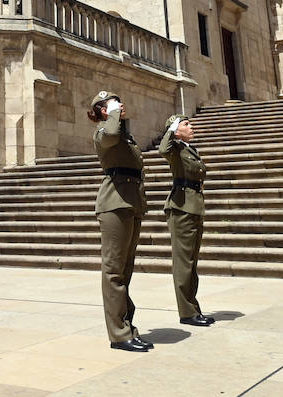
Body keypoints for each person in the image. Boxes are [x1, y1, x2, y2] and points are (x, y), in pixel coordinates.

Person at [89, 90, 150, 352]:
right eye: (113, 104)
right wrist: (114, 114)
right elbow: (111, 135)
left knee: (125, 270)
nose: (120, 105)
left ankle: (128, 327)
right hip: (114, 202)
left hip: (130, 200)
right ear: (103, 111)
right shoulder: (104, 132)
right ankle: (119, 334)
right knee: (114, 270)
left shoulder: (124, 134)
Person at [159, 114, 212, 327]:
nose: (192, 126)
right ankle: (187, 312)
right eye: (186, 124)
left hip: (194, 206)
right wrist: (171, 130)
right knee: (184, 262)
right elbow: (163, 149)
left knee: (192, 261)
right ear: (176, 129)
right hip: (181, 208)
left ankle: (193, 308)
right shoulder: (174, 149)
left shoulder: (189, 149)